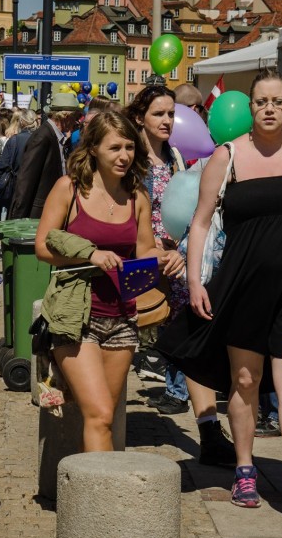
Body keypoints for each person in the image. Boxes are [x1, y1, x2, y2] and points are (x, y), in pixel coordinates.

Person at [156, 69, 282, 530]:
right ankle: (244, 468)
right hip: (241, 289)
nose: (270, 108)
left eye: (278, 101)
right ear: (250, 106)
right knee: (244, 379)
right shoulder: (227, 156)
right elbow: (199, 223)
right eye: (261, 101)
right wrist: (197, 281)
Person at [34, 111, 184, 452]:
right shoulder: (69, 189)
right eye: (115, 147)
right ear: (94, 149)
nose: (124, 156)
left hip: (122, 318)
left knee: (105, 416)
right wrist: (90, 254)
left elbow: (145, 250)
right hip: (76, 316)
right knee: (100, 414)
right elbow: (43, 245)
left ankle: (93, 490)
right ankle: (94, 501)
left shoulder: (137, 196)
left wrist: (165, 257)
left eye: (130, 147)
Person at [125, 85, 238, 465]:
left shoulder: (175, 156)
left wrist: (181, 249)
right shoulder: (129, 158)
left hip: (174, 263)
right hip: (137, 261)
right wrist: (152, 251)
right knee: (125, 340)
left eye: (171, 114)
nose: (168, 121)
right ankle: (104, 423)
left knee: (195, 341)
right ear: (140, 116)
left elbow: (189, 208)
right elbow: (122, 213)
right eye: (159, 114)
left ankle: (209, 430)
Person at [9, 93, 83, 219]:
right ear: (65, 116)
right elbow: (26, 180)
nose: (76, 122)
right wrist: (17, 220)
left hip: (49, 210)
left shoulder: (55, 135)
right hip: (38, 214)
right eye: (75, 117)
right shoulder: (43, 137)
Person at [0, 109, 37, 216]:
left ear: (21, 122)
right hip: (36, 190)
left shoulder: (14, 140)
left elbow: (1, 165)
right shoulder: (42, 139)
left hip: (17, 189)